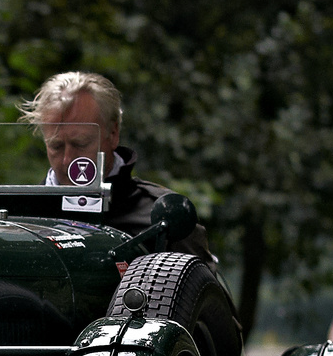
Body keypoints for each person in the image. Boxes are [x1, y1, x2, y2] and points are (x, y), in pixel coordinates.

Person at [18, 71, 212, 259]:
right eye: (56, 146)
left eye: (81, 144)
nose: (68, 159)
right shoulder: (19, 217)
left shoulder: (165, 218)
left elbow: (203, 290)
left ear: (113, 133)